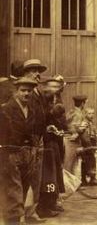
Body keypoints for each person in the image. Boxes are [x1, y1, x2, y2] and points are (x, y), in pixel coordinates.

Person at [0, 77, 38, 225]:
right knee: (13, 187)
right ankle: (13, 220)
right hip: (10, 153)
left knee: (24, 184)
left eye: (29, 91)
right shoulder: (6, 109)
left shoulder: (31, 110)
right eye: (23, 90)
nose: (26, 94)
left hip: (27, 154)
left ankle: (18, 217)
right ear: (16, 92)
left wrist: (33, 148)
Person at [37, 78, 66, 218]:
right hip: (47, 143)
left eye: (58, 86)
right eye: (53, 86)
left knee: (55, 175)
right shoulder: (43, 101)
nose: (56, 88)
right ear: (46, 87)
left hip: (55, 142)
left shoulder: (55, 99)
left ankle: (52, 202)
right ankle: (44, 206)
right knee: (48, 177)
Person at [23, 58, 48, 221]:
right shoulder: (24, 92)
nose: (37, 74)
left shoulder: (38, 92)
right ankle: (21, 213)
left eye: (38, 70)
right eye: (33, 70)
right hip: (28, 140)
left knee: (36, 176)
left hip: (39, 138)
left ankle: (32, 212)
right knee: (25, 176)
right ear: (26, 73)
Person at [64, 95, 88, 173]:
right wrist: (82, 127)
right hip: (72, 141)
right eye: (84, 103)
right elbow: (74, 128)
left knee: (71, 163)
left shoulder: (72, 111)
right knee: (70, 164)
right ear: (82, 104)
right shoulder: (78, 114)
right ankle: (68, 184)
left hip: (70, 140)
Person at [79, 108, 97, 187]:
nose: (91, 115)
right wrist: (89, 146)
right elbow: (84, 136)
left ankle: (88, 179)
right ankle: (88, 179)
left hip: (91, 143)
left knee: (89, 161)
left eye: (92, 113)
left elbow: (93, 134)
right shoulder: (84, 123)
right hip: (87, 144)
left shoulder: (91, 122)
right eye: (89, 113)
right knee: (88, 161)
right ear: (85, 114)